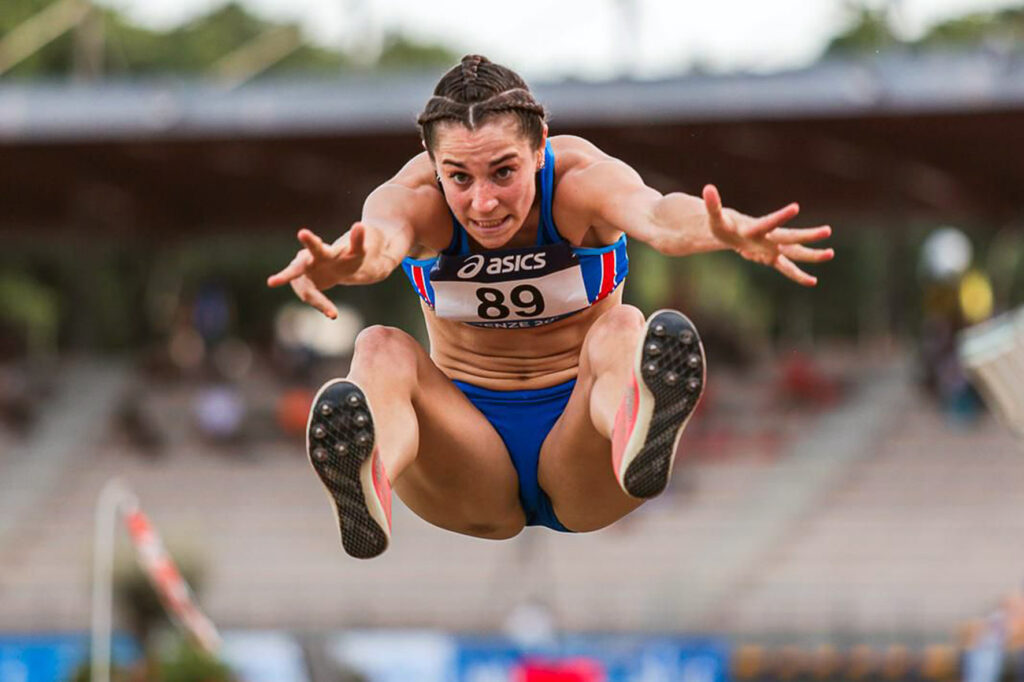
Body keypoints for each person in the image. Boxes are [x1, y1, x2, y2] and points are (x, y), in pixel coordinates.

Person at [267, 55, 833, 559]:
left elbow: (659, 217)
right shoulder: (414, 200)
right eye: (458, 177)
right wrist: (343, 266)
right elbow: (379, 246)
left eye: (504, 172)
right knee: (379, 346)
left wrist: (723, 230)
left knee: (623, 325)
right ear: (431, 161)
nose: (483, 203)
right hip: (467, 459)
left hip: (581, 449)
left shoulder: (580, 183)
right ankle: (369, 477)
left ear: (540, 147)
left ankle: (638, 432)